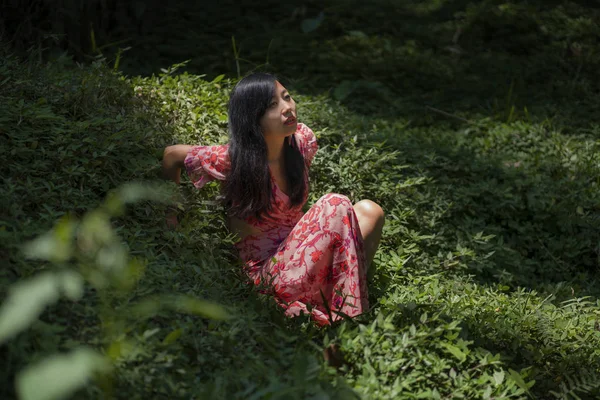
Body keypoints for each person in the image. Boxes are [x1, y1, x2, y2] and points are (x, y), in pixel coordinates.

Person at [161, 73, 384, 326]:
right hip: (267, 274)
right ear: (253, 118)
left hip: (302, 258)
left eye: (286, 97)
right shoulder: (233, 161)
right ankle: (349, 316)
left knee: (369, 210)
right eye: (272, 105)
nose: (287, 107)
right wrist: (172, 216)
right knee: (335, 204)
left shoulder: (302, 143)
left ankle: (335, 298)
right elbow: (171, 156)